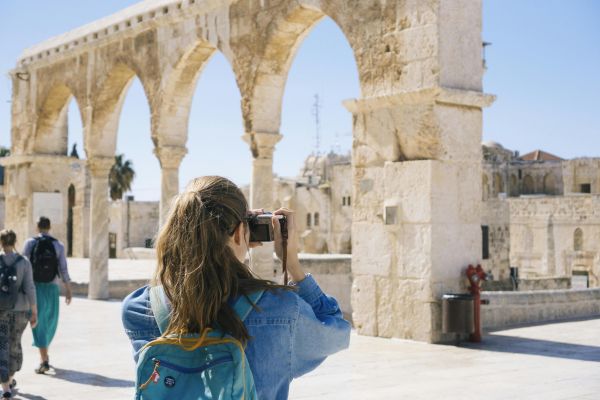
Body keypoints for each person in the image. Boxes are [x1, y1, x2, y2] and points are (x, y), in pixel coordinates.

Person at [122, 176, 351, 399]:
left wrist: (237, 234)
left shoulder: (139, 309)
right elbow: (337, 332)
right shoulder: (280, 310)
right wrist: (292, 265)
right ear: (241, 232)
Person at [22, 217, 72, 374]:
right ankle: (44, 358)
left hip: (35, 287)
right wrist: (68, 288)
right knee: (49, 322)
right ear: (50, 227)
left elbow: (24, 265)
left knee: (38, 322)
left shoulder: (30, 243)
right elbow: (63, 268)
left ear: (37, 227)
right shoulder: (58, 245)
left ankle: (44, 358)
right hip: (52, 287)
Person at [0, 229, 37, 399]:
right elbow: (30, 287)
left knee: (2, 346)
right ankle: (11, 377)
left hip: (1, 310)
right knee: (14, 344)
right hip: (21, 310)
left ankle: (6, 387)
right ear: (15, 242)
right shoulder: (24, 262)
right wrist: (34, 311)